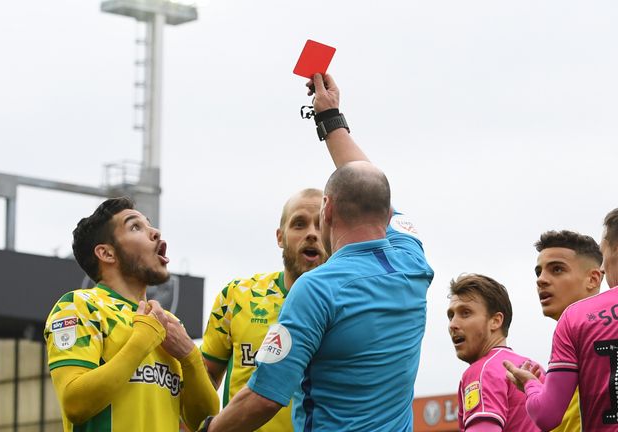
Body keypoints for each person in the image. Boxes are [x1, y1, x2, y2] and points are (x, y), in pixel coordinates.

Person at [198, 73, 434, 431]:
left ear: (327, 211)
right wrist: (331, 118)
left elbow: (264, 396)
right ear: (387, 215)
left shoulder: (316, 289)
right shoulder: (412, 261)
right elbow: (371, 186)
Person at [505, 204, 618, 431]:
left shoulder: (576, 317)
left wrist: (531, 385)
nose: (603, 267)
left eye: (604, 255)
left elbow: (547, 415)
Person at [43, 197, 219, 431]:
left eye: (150, 225)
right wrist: (142, 339)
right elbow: (75, 403)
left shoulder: (169, 323)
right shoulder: (80, 306)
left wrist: (189, 355)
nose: (155, 232)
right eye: (135, 227)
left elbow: (202, 417)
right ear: (106, 253)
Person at [200, 187, 328, 432]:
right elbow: (203, 383)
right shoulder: (237, 296)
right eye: (299, 224)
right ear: (280, 237)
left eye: (320, 225)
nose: (311, 233)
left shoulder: (349, 308)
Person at [448, 274, 542, 432]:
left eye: (465, 313)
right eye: (451, 315)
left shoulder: (482, 371)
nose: (453, 324)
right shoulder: (537, 370)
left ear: (495, 321)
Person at [534, 230, 603, 432]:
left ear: (593, 279)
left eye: (556, 270)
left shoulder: (612, 339)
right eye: (539, 272)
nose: (541, 280)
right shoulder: (565, 341)